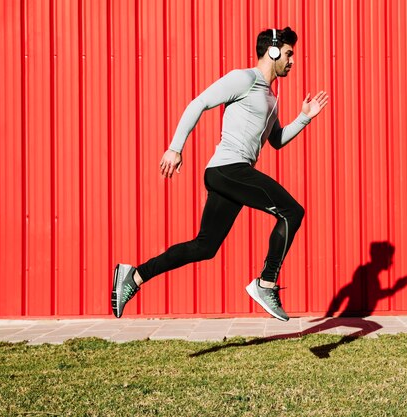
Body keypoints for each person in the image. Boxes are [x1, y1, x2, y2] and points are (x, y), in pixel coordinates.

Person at [111, 27, 329, 321]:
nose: (292, 61)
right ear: (273, 51)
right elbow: (198, 103)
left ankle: (134, 275)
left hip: (232, 174)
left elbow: (275, 141)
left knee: (205, 246)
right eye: (289, 54)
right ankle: (266, 283)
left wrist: (304, 118)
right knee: (292, 211)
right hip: (228, 169)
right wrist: (175, 148)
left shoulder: (271, 98)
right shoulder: (244, 79)